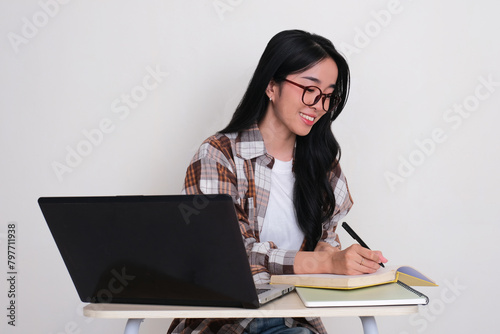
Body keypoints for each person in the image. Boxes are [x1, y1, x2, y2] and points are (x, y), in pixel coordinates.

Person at [168, 29, 387, 334]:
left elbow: (326, 244)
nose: (318, 105)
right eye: (310, 89)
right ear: (272, 86)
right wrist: (322, 263)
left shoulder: (325, 168)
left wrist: (332, 256)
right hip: (224, 321)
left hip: (293, 321)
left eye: (328, 96)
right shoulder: (219, 155)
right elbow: (223, 258)